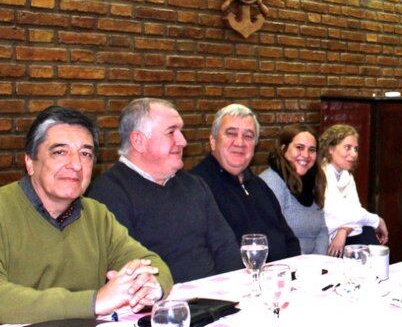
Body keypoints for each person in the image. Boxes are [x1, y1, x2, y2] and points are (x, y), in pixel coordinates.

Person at [0, 106, 172, 325]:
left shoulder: (96, 215)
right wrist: (94, 302)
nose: (75, 165)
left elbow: (152, 264)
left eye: (85, 154)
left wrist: (150, 286)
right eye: (60, 152)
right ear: (30, 161)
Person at [87, 98, 242, 284]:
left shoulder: (194, 185)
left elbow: (225, 247)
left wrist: (234, 290)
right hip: (162, 307)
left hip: (219, 298)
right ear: (139, 141)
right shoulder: (108, 194)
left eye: (181, 131)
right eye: (171, 132)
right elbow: (129, 272)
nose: (183, 141)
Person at [191, 104, 300, 261]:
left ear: (255, 145)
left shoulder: (260, 186)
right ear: (213, 141)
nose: (240, 143)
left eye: (248, 136)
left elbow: (289, 240)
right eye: (231, 133)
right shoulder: (196, 187)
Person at [318, 123, 389, 256]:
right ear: (330, 149)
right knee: (368, 238)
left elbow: (354, 212)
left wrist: (344, 229)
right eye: (347, 148)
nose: (354, 154)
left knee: (368, 237)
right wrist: (377, 220)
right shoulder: (321, 175)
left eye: (355, 149)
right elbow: (333, 214)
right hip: (325, 239)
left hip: (346, 234)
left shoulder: (346, 176)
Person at [259, 124, 329, 255]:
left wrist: (319, 263)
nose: (306, 155)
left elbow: (322, 230)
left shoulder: (314, 179)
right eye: (299, 148)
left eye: (312, 150)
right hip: (287, 264)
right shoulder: (271, 182)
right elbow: (276, 235)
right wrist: (305, 266)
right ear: (283, 149)